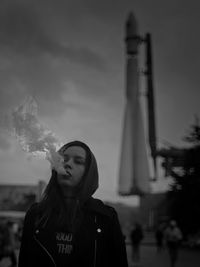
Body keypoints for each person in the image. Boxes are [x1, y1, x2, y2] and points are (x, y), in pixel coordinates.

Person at [18, 140, 128, 267]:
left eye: (78, 161)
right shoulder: (36, 214)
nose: (68, 164)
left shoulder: (106, 218)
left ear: (89, 173)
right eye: (63, 159)